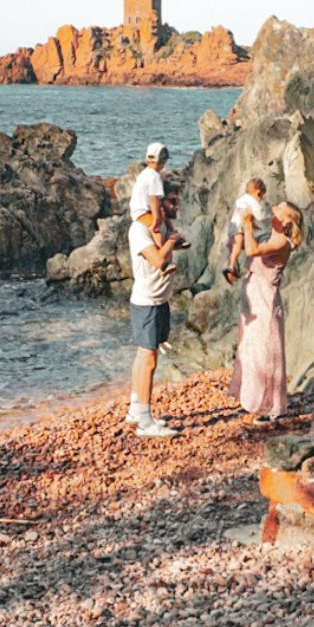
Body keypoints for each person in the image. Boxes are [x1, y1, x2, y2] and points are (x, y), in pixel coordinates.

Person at [229, 201, 302, 425]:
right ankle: (254, 401)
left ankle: (272, 406)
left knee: (266, 354)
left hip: (265, 303)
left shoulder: (281, 242)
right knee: (250, 351)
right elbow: (245, 245)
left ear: (287, 220)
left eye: (280, 209)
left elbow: (252, 250)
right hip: (253, 300)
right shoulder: (269, 236)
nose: (274, 209)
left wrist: (249, 226)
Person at [125, 180, 187, 438]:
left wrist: (174, 240)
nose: (176, 205)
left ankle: (135, 409)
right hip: (147, 301)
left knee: (146, 355)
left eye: (176, 200)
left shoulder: (160, 226)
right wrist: (172, 242)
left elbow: (168, 247)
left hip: (159, 299)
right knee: (148, 359)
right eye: (171, 201)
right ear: (156, 202)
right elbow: (159, 259)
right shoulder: (140, 230)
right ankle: (144, 422)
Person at [222, 178, 268, 285]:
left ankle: (232, 267)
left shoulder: (244, 198)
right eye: (261, 196)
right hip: (238, 226)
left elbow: (246, 214)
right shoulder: (252, 200)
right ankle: (230, 267)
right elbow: (257, 214)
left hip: (233, 225)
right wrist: (262, 216)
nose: (261, 199)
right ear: (258, 192)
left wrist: (253, 225)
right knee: (237, 246)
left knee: (234, 247)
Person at [128, 143, 168, 221]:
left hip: (136, 212)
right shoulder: (154, 176)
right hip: (143, 213)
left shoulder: (145, 173)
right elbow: (153, 199)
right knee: (156, 232)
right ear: (161, 161)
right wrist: (156, 218)